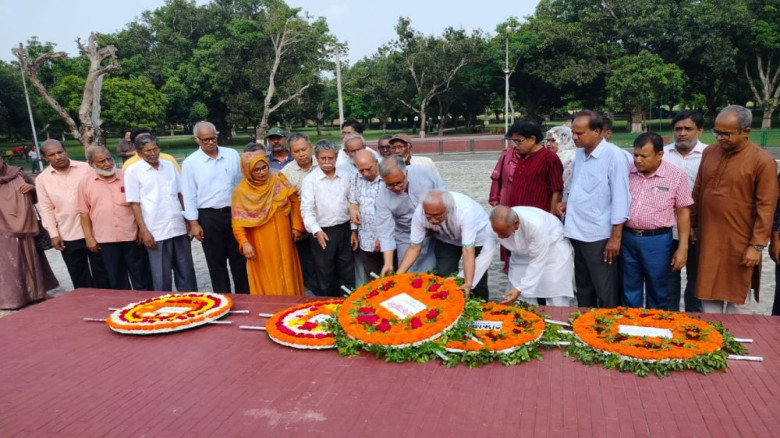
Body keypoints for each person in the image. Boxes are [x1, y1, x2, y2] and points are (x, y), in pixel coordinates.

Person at [693, 105, 777, 313]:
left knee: (735, 303)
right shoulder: (709, 152)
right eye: (716, 132)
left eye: (726, 134)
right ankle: (712, 342)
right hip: (709, 240)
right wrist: (693, 227)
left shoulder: (762, 161)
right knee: (707, 295)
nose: (719, 138)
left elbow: (766, 207)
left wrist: (756, 246)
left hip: (740, 243)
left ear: (746, 131)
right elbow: (697, 192)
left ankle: (734, 344)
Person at [557, 110, 630, 308]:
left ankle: (606, 330)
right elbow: (581, 187)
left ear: (597, 131)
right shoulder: (580, 154)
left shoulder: (614, 156)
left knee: (605, 289)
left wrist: (615, 237)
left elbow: (621, 198)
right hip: (576, 230)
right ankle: (585, 326)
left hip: (598, 235)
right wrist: (568, 204)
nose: (574, 138)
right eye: (573, 132)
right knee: (583, 286)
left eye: (580, 133)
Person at [621, 133, 693, 310]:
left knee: (658, 288)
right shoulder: (627, 171)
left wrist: (683, 248)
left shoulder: (676, 176)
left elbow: (683, 212)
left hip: (657, 241)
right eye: (635, 155)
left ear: (660, 155)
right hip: (628, 238)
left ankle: (656, 329)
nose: (638, 160)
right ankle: (631, 328)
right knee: (629, 288)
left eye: (644, 156)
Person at [181, 121, 248, 294]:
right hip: (208, 217)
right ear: (197, 140)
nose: (210, 143)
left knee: (239, 260)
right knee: (216, 263)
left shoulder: (232, 155)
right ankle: (224, 299)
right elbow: (188, 194)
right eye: (205, 140)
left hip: (233, 214)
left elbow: (241, 184)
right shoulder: (191, 163)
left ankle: (246, 298)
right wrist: (194, 224)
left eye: (213, 138)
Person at [125, 134, 197, 292]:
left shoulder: (169, 165)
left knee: (186, 271)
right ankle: (165, 308)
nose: (152, 153)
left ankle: (192, 304)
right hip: (156, 230)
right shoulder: (133, 171)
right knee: (161, 275)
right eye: (148, 150)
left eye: (155, 149)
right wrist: (144, 231)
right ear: (138, 152)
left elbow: (180, 194)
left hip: (178, 225)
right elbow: (134, 204)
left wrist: (188, 221)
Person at [36, 139, 110, 289]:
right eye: (52, 155)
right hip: (68, 234)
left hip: (95, 231)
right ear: (45, 158)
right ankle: (86, 306)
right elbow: (46, 208)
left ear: (65, 151)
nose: (58, 157)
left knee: (102, 273)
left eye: (60, 152)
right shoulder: (42, 179)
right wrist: (53, 234)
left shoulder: (86, 169)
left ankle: (105, 305)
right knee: (79, 275)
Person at [76, 146, 151, 290]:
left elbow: (140, 205)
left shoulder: (127, 176)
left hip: (132, 236)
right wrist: (89, 238)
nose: (108, 164)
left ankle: (145, 306)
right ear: (91, 164)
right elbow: (84, 213)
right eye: (102, 161)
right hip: (106, 239)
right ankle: (123, 307)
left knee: (140, 275)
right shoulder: (85, 183)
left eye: (109, 159)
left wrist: (143, 230)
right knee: (116, 277)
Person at [397, 189, 492, 301]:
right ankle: (450, 306)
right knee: (444, 273)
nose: (432, 220)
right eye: (428, 216)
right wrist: (398, 275)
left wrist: (468, 282)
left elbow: (467, 250)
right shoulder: (420, 213)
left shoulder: (464, 211)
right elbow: (414, 247)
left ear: (448, 209)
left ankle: (481, 306)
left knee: (476, 279)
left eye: (437, 216)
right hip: (446, 238)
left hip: (477, 237)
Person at [232, 152, 305, 296]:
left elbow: (295, 202)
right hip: (260, 243)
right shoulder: (241, 192)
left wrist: (297, 226)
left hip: (285, 239)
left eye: (264, 167)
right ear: (248, 171)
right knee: (268, 275)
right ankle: (271, 308)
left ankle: (293, 305)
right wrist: (244, 243)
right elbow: (238, 223)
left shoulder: (278, 179)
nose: (262, 172)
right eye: (256, 170)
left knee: (288, 270)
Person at [0, 154, 58, 309]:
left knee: (31, 259)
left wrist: (32, 188)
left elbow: (38, 196)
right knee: (7, 264)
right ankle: (12, 299)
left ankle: (37, 294)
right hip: (3, 229)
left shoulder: (18, 173)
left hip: (26, 224)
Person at [663, 110, 706, 312]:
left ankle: (694, 322)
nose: (682, 133)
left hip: (699, 229)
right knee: (669, 278)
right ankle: (671, 319)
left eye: (688, 129)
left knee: (697, 279)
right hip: (668, 226)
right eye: (678, 129)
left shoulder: (709, 155)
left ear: (700, 130)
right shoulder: (662, 155)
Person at [300, 140, 355, 296]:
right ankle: (328, 306)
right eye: (323, 158)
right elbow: (306, 209)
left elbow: (353, 204)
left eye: (330, 158)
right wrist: (316, 231)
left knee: (347, 271)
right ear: (317, 158)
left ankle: (348, 304)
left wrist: (353, 231)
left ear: (336, 158)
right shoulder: (310, 180)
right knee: (325, 273)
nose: (327, 162)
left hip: (344, 230)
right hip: (323, 232)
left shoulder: (346, 176)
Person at [490, 206, 575, 306]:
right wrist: (470, 283)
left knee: (553, 293)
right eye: (497, 233)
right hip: (520, 257)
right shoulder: (493, 225)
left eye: (503, 233)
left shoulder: (535, 224)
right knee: (519, 297)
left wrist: (521, 288)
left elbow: (538, 260)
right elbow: (485, 255)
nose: (499, 237)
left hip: (552, 252)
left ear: (516, 224)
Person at [377, 156, 446, 276]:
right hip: (406, 235)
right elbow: (385, 232)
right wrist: (388, 263)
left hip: (437, 229)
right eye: (391, 185)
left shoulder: (423, 173)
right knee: (408, 273)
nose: (397, 188)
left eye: (399, 182)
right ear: (383, 180)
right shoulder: (382, 196)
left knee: (438, 271)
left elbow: (443, 193)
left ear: (406, 173)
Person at [281, 133, 318, 291]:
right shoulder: (286, 172)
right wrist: (295, 226)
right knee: (307, 263)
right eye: (296, 151)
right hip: (301, 224)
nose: (301, 153)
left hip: (326, 221)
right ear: (290, 153)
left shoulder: (324, 162)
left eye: (304, 149)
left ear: (311, 148)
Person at [504, 119, 563, 214]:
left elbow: (557, 190)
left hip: (539, 217)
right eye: (513, 141)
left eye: (518, 141)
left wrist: (551, 217)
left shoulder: (549, 158)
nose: (514, 145)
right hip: (518, 215)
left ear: (532, 139)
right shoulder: (522, 156)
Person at [349, 150, 385, 279]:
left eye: (368, 169)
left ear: (376, 162)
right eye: (361, 170)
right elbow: (353, 204)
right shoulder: (355, 176)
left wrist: (382, 236)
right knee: (372, 278)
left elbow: (395, 211)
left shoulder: (388, 176)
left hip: (387, 239)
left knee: (390, 277)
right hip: (365, 238)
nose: (365, 173)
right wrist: (354, 231)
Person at [546, 126, 576, 197]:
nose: (548, 144)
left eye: (553, 140)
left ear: (564, 140)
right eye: (548, 140)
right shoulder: (549, 156)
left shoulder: (570, 157)